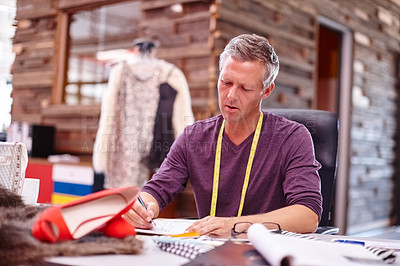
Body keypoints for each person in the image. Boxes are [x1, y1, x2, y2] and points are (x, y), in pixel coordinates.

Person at [124, 33, 322, 238]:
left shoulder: (293, 138)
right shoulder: (194, 137)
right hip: (209, 250)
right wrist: (143, 207)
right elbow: (156, 189)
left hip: (266, 252)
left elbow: (308, 215)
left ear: (266, 91)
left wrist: (236, 225)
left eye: (245, 88)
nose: (231, 96)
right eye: (226, 82)